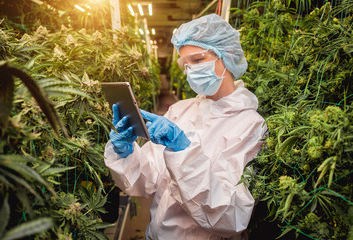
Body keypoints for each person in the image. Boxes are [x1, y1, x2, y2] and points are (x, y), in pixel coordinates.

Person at [104, 14, 267, 240]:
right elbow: (148, 183)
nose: (191, 70)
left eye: (198, 60)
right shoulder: (180, 111)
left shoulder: (251, 126)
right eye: (186, 64)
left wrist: (183, 152)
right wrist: (127, 154)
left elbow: (231, 215)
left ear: (226, 56)